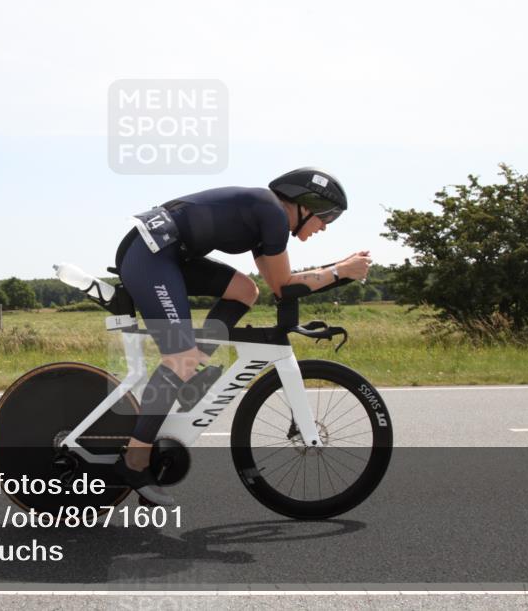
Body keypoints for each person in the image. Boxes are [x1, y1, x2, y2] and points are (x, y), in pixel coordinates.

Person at [112, 167, 373, 505]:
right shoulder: (272, 214)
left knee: (243, 291)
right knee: (179, 358)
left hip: (166, 254)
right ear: (306, 204)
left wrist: (340, 270)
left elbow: (280, 286)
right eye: (327, 218)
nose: (325, 226)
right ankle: (134, 461)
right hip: (150, 256)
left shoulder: (266, 218)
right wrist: (340, 271)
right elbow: (285, 285)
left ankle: (194, 367)